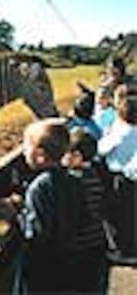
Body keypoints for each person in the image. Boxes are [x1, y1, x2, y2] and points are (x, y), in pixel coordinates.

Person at [13, 118, 85, 293]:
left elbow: (36, 233)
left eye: (26, 146)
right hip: (69, 260)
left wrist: (18, 215)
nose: (23, 151)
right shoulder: (73, 180)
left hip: (41, 264)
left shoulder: (39, 187)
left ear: (39, 154)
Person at [61, 128, 109, 292]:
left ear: (76, 156)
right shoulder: (95, 173)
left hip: (79, 244)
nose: (63, 157)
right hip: (96, 241)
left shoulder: (73, 180)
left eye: (65, 153)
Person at [98, 91, 137, 257]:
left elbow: (101, 149)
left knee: (118, 215)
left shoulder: (119, 133)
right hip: (133, 178)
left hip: (118, 178)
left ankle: (122, 250)